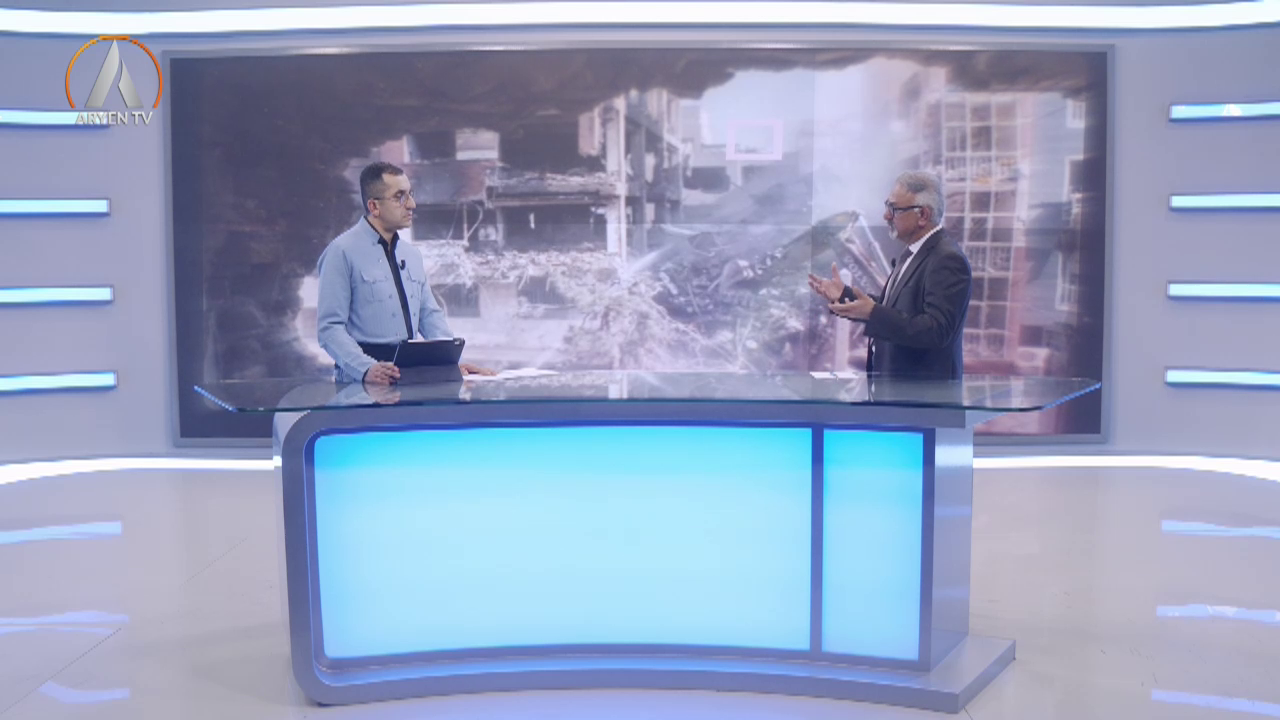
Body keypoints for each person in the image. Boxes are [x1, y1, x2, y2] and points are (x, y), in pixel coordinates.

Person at [317, 161, 493, 385]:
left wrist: (451, 362)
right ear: (374, 207)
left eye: (410, 194)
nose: (411, 204)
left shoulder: (411, 255)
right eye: (399, 197)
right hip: (360, 382)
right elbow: (329, 329)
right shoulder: (341, 252)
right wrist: (366, 369)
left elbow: (429, 315)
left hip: (409, 375)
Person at [808, 170, 972, 380]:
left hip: (922, 397)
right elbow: (897, 309)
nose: (886, 216)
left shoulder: (947, 259)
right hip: (897, 392)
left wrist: (873, 313)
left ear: (923, 215)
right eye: (887, 207)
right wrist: (844, 296)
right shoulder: (914, 252)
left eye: (894, 209)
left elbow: (936, 330)